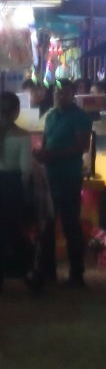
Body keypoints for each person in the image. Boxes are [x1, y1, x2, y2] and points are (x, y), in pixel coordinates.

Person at [33, 80, 92, 288]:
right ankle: (48, 271)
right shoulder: (50, 116)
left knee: (70, 225)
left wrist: (52, 155)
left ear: (73, 95)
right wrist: (41, 154)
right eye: (58, 93)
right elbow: (46, 141)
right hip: (50, 176)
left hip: (69, 177)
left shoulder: (80, 117)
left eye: (65, 94)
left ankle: (77, 273)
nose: (60, 97)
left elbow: (82, 146)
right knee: (47, 225)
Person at [1, 91, 41, 293]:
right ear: (16, 111)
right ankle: (24, 271)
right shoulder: (23, 136)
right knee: (14, 230)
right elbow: (26, 170)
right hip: (12, 187)